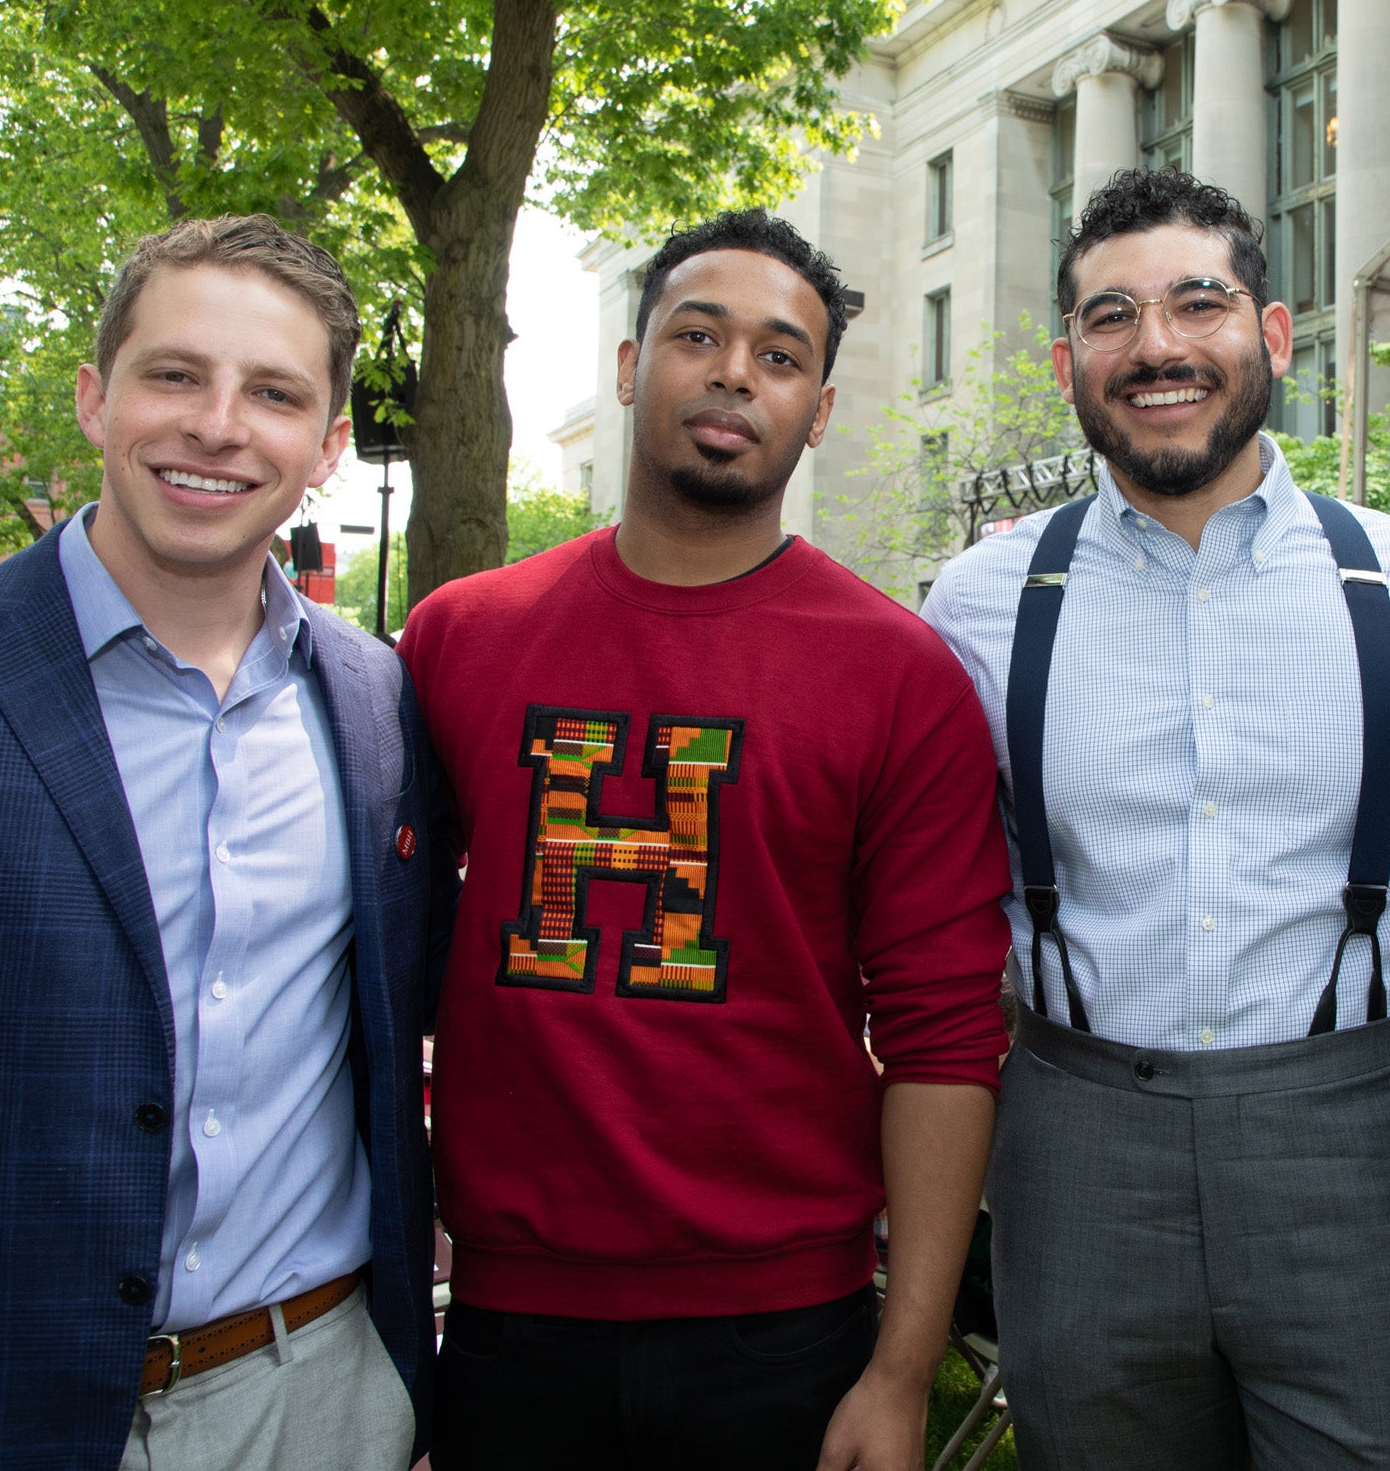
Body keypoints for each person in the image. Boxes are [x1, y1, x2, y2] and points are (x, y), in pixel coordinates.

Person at [0, 215, 442, 1471]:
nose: (217, 424)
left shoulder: (382, 704)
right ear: (96, 397)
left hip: (327, 1394)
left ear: (329, 447)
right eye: (175, 373)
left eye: (275, 393)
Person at [402, 209, 1012, 1471]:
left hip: (787, 1326)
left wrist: (903, 1370)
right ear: (631, 367)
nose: (737, 371)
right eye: (699, 334)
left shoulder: (899, 673)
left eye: (781, 355)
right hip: (512, 1321)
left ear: (821, 409)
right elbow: (384, 959)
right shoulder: (460, 637)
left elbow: (944, 1034)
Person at [922, 167, 1390, 1470]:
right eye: (1112, 317)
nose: (1158, 347)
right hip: (1076, 1151)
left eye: (1198, 304)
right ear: (1069, 358)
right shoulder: (975, 602)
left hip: (1368, 1143)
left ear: (1272, 333)